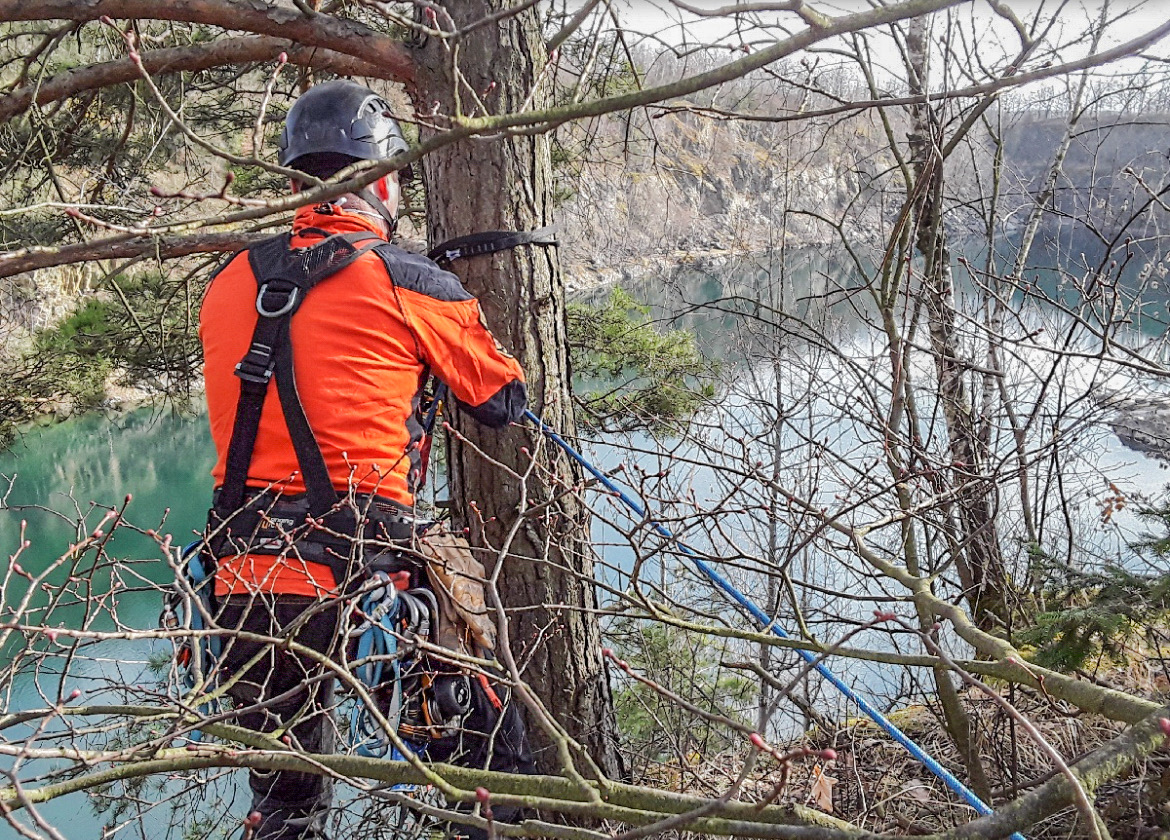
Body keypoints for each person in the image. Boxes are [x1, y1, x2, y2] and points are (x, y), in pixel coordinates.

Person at [198, 79, 534, 840]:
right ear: (382, 181)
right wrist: (441, 306)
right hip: (372, 573)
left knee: (285, 803)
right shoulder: (408, 279)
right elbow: (500, 400)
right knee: (487, 769)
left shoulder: (226, 283)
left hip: (246, 575)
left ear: (296, 182)